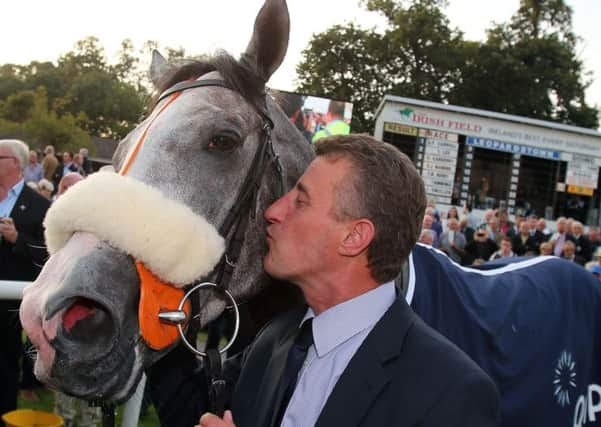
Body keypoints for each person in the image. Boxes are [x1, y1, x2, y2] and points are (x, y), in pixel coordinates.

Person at [199, 135, 500, 427]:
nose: (273, 211)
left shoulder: (451, 392)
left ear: (354, 237)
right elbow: (193, 405)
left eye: (301, 201)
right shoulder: (275, 338)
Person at [0, 139, 50, 417]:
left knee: (6, 363)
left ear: (14, 163)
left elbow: (47, 255)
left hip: (9, 300)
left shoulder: (39, 206)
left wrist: (16, 238)